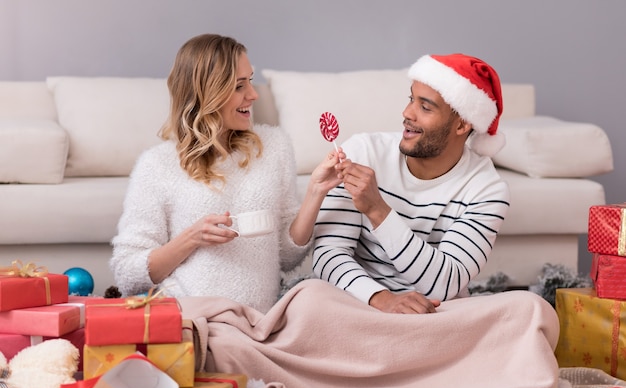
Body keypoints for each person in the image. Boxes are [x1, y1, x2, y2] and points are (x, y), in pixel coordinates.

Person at [110, 33, 344, 313]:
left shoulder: (274, 147)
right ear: (207, 93)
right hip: (197, 318)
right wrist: (191, 238)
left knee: (325, 300)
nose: (253, 94)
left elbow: (286, 258)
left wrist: (316, 192)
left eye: (251, 80)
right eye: (238, 86)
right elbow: (127, 273)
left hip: (264, 318)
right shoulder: (157, 165)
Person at [312, 53, 511, 314]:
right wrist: (383, 300)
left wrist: (378, 211)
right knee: (307, 296)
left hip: (435, 313)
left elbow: (444, 284)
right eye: (411, 99)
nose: (407, 114)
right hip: (360, 304)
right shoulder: (363, 152)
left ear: (462, 124)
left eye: (425, 107)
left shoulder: (487, 189)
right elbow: (328, 255)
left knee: (532, 308)